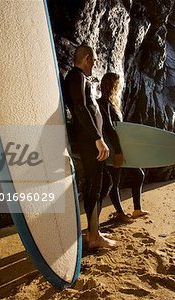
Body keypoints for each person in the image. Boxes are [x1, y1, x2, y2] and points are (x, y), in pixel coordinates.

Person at [63, 45, 124, 249]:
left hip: (90, 140)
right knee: (94, 185)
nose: (95, 64)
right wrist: (97, 138)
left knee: (103, 182)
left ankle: (93, 229)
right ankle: (93, 236)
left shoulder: (79, 78)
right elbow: (80, 107)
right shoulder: (76, 76)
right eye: (94, 60)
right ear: (87, 58)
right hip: (89, 141)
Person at [98, 73, 149, 220]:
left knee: (138, 174)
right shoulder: (103, 103)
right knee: (114, 181)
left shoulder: (111, 104)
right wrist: (118, 151)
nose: (120, 87)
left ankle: (137, 209)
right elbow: (108, 128)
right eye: (118, 84)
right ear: (113, 86)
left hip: (121, 146)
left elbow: (120, 129)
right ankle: (120, 213)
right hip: (113, 148)